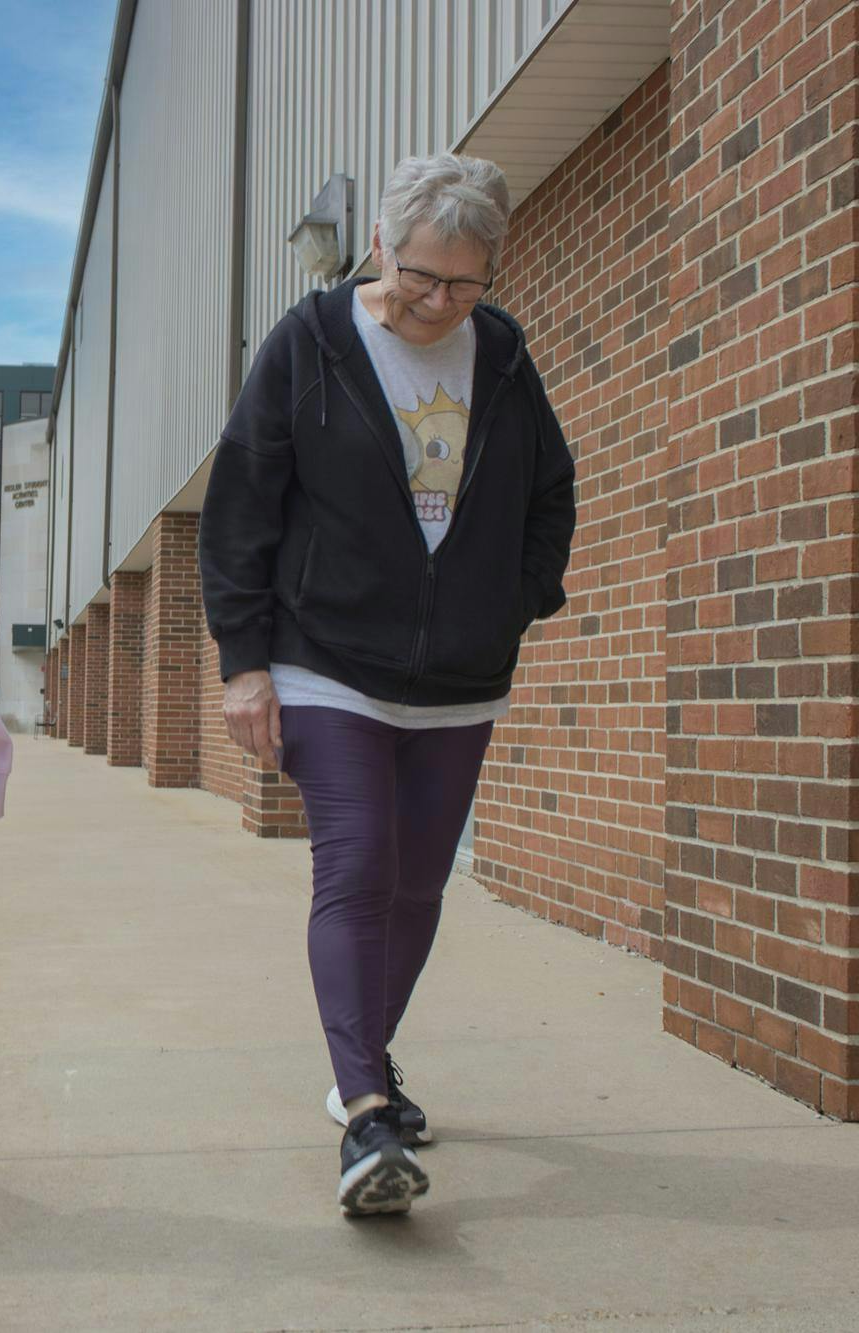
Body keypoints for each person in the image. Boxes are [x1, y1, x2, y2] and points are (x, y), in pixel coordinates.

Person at [199, 152, 576, 1217]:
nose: (436, 303)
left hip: (460, 671)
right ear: (378, 247)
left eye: (462, 283)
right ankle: (365, 1112)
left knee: (418, 884)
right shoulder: (309, 344)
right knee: (357, 866)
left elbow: (549, 487)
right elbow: (239, 508)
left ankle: (362, 1057)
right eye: (418, 276)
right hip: (325, 658)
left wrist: (515, 598)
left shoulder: (497, 352)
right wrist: (241, 661)